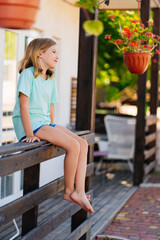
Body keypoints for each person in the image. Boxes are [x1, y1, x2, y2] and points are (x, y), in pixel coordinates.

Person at [12, 38, 94, 214]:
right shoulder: (28, 74)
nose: (58, 56)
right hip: (31, 124)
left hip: (44, 122)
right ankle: (68, 191)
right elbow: (23, 106)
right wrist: (29, 133)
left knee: (82, 143)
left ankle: (79, 191)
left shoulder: (50, 77)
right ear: (40, 53)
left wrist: (53, 129)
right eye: (54, 52)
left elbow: (50, 107)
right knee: (72, 146)